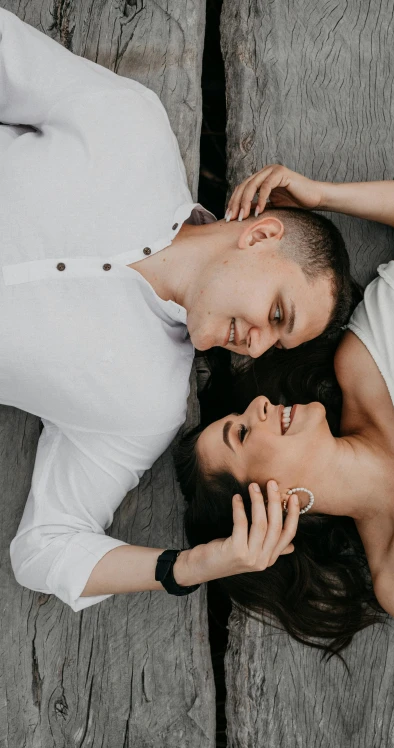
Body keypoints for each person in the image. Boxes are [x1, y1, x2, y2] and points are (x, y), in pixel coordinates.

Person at [1, 9, 354, 610]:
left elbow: (47, 549)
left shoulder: (143, 407)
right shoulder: (131, 130)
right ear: (262, 235)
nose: (257, 346)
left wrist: (190, 566)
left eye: (275, 345)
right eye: (277, 314)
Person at [177, 166, 394, 661]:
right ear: (274, 509)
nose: (256, 407)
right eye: (241, 434)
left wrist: (323, 195)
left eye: (239, 415)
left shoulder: (371, 364)